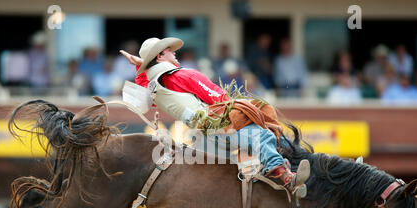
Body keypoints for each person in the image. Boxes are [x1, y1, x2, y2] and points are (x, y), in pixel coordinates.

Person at [120, 37, 310, 197]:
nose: (174, 52)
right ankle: (286, 178)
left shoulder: (153, 87)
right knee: (263, 136)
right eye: (169, 50)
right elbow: (219, 98)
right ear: (160, 56)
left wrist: (142, 64)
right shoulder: (184, 75)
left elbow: (142, 84)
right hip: (217, 129)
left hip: (201, 137)